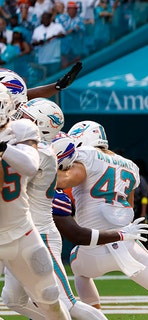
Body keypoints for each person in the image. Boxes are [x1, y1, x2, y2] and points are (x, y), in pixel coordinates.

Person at [57, 120, 148, 319]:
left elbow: (65, 180)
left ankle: (96, 314)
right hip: (127, 243)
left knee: (80, 271)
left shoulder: (86, 156)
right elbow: (129, 205)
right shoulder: (130, 165)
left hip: (94, 247)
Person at [0, 99, 108, 320]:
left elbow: (21, 166)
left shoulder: (40, 152)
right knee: (13, 298)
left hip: (39, 233)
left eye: (26, 117)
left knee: (67, 302)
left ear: (40, 125)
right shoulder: (38, 145)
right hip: (20, 230)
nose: (18, 119)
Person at [0, 86, 71, 320]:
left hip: (22, 233)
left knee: (50, 299)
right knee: (11, 299)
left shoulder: (21, 130)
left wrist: (3, 148)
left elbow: (29, 166)